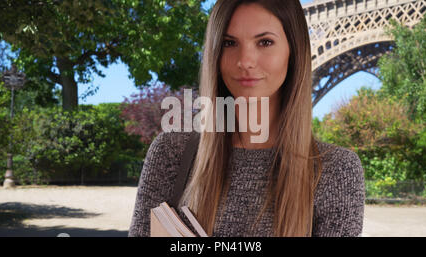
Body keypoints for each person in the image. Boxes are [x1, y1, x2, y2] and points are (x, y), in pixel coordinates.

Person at [128, 0, 365, 237]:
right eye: (229, 43)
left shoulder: (337, 171)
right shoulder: (171, 154)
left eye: (264, 42)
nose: (245, 61)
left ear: (293, 51)